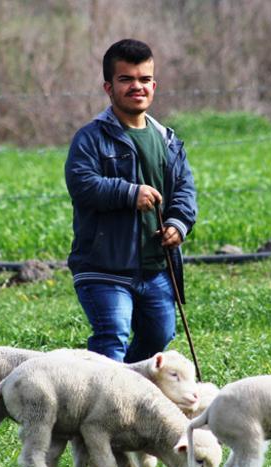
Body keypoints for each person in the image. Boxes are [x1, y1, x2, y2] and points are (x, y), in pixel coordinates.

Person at [64, 39, 198, 363]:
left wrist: (178, 225)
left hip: (155, 269)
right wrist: (129, 192)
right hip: (104, 267)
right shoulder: (91, 137)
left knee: (159, 336)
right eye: (126, 79)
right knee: (112, 337)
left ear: (154, 85)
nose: (136, 86)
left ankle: (124, 387)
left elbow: (184, 189)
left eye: (143, 79)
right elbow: (82, 184)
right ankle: (102, 408)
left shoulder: (167, 140)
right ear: (109, 87)